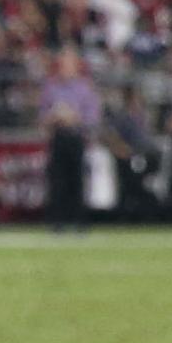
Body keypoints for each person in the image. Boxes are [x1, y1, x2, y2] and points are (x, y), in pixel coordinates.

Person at [39, 50, 102, 232]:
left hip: (76, 137)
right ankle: (56, 222)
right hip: (58, 137)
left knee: (77, 180)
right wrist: (54, 117)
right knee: (57, 181)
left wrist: (74, 118)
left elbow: (92, 118)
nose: (64, 69)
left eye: (68, 65)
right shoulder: (51, 87)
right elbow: (42, 115)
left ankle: (79, 222)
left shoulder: (84, 88)